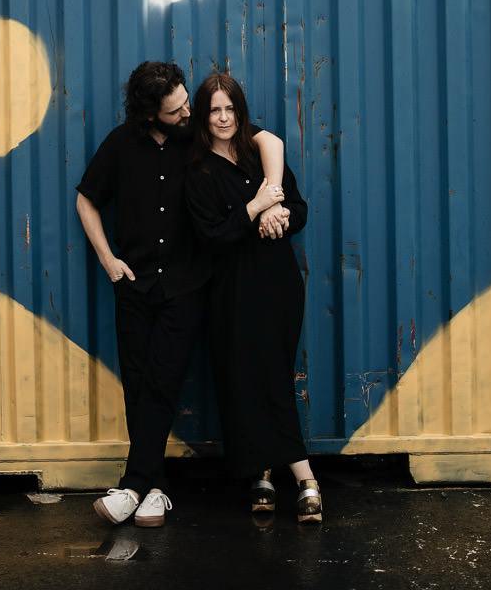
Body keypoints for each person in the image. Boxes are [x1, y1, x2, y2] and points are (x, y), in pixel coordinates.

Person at [76, 61, 282, 527]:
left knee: (163, 383)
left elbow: (266, 140)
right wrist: (108, 259)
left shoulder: (197, 136)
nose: (189, 111)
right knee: (137, 383)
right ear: (150, 115)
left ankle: (134, 484)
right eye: (176, 109)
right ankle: (153, 488)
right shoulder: (121, 144)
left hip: (185, 286)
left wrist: (274, 194)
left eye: (188, 101)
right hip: (134, 284)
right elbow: (86, 198)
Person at [187, 71, 320, 523]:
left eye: (230, 109)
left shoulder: (258, 155)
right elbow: (212, 236)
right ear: (203, 117)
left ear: (239, 111)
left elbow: (299, 209)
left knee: (273, 376)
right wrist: (254, 208)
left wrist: (278, 213)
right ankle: (289, 476)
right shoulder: (198, 170)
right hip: (231, 292)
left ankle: (274, 474)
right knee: (244, 382)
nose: (223, 118)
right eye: (214, 110)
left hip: (278, 285)